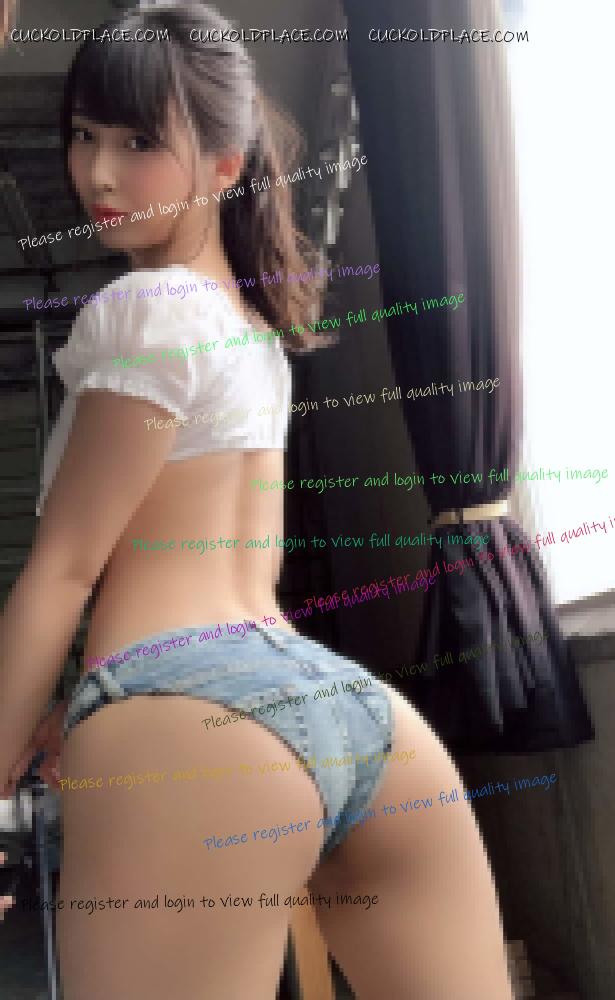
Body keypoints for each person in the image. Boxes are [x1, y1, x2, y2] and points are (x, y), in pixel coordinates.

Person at [0, 3, 514, 997]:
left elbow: (62, 570)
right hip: (350, 713)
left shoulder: (142, 307)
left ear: (224, 164)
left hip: (183, 712)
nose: (97, 173)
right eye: (85, 135)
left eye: (139, 143)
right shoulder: (255, 337)